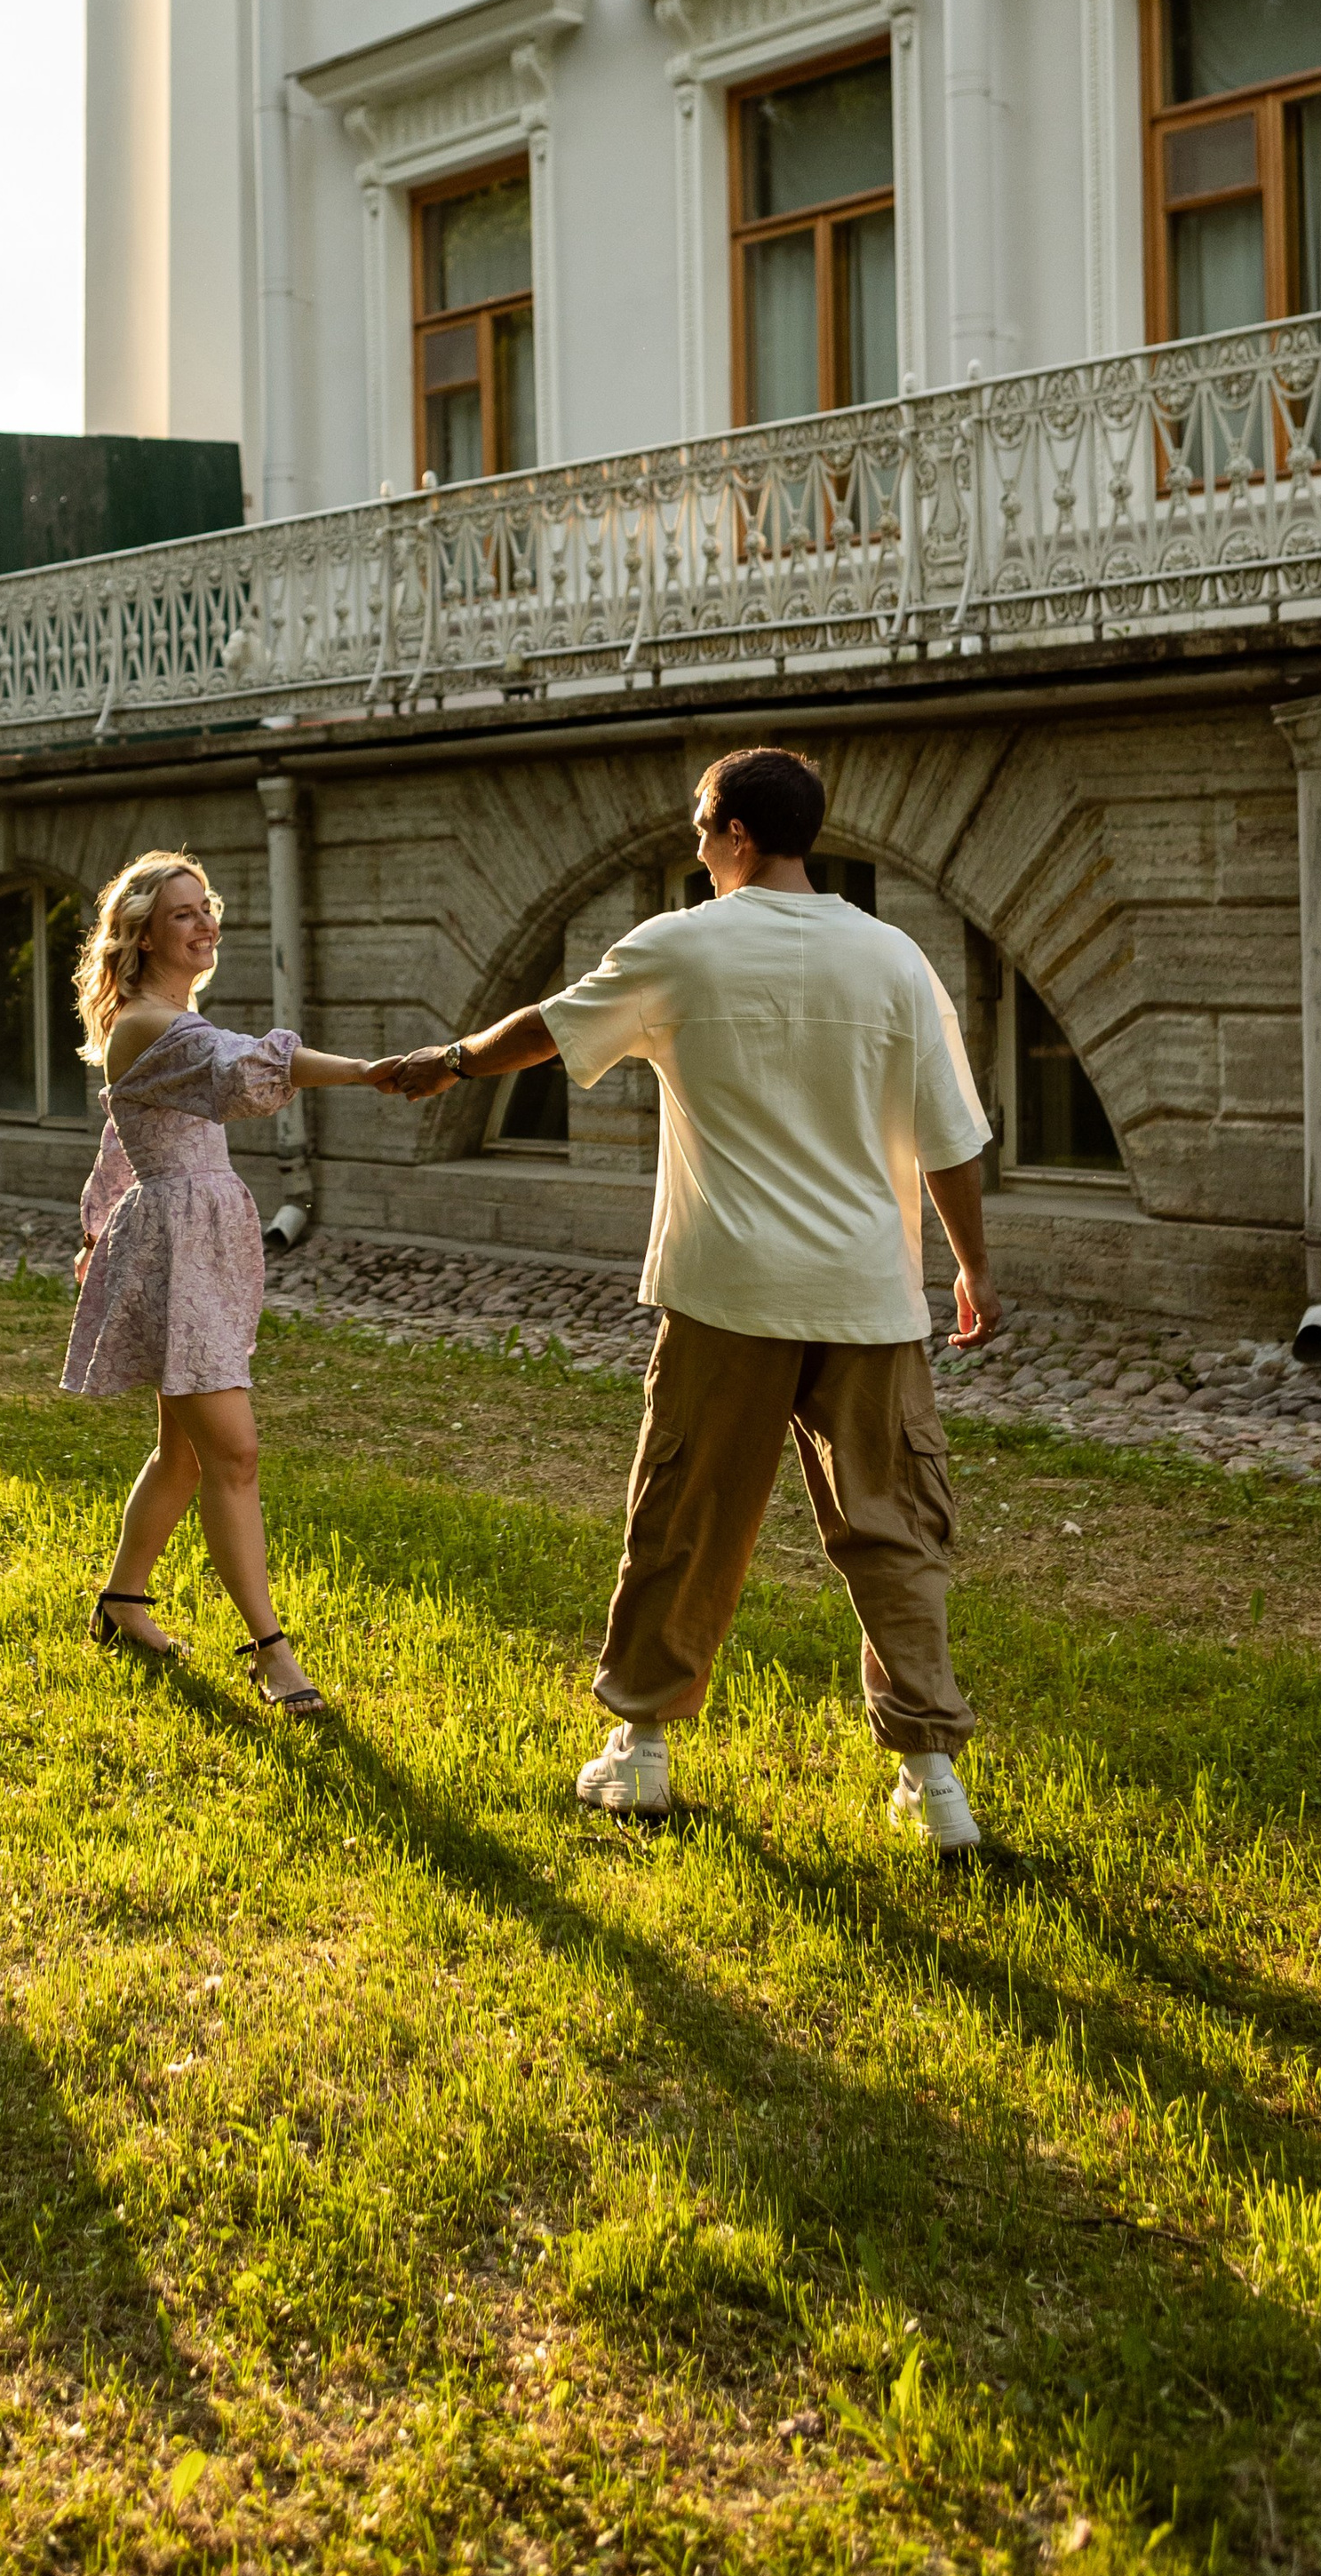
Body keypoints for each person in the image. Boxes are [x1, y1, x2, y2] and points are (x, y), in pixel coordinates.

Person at [385, 747, 1002, 1855]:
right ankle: (934, 1782)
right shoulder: (895, 958)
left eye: (699, 827)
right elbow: (950, 1135)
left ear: (733, 834)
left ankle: (643, 1752)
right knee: (895, 1529)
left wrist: (451, 1062)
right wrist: (972, 1265)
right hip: (869, 1295)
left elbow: (549, 1025)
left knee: (684, 1518)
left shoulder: (679, 948)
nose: (694, 846)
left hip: (726, 1288)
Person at [65, 848, 394, 1716]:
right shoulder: (147, 1025)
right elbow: (243, 1070)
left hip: (198, 1242)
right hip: (179, 1246)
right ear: (140, 936)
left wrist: (97, 1225)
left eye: (206, 906)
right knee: (233, 1454)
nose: (204, 921)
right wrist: (368, 1072)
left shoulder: (159, 1020)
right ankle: (271, 1651)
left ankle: (121, 1604)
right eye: (182, 913)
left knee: (184, 1454)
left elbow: (118, 1138)